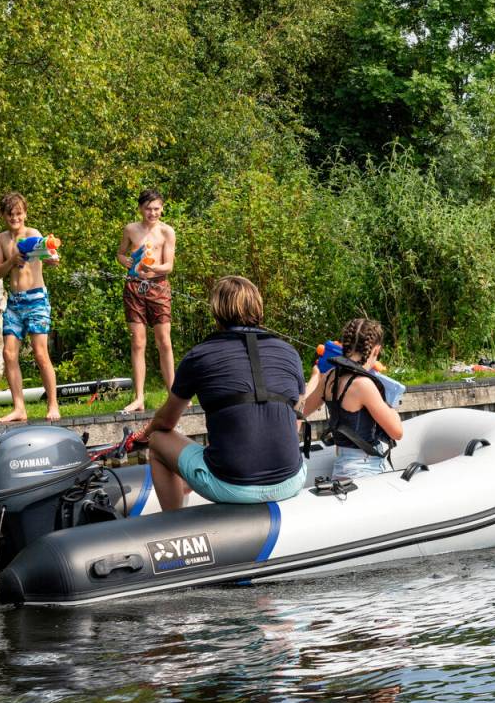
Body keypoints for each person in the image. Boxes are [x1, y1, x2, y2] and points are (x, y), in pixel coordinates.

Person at [137, 276, 307, 510]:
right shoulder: (290, 352)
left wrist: (145, 433)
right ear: (258, 307)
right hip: (291, 480)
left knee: (157, 441)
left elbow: (166, 422)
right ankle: (187, 481)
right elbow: (297, 417)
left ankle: (174, 525)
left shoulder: (200, 355)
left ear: (216, 311)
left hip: (232, 485)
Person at [300, 318, 404, 479]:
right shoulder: (364, 385)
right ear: (375, 350)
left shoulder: (329, 377)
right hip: (366, 470)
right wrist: (390, 405)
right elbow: (397, 432)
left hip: (342, 469)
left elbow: (301, 411)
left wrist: (315, 377)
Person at [0, 192, 60, 423]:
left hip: (37, 299)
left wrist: (52, 257)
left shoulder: (33, 234)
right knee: (8, 353)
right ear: (3, 216)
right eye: (10, 215)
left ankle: (53, 405)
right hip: (15, 302)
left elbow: (50, 254)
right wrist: (11, 261)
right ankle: (19, 408)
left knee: (40, 353)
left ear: (25, 213)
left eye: (19, 214)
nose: (15, 218)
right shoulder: (2, 239)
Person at [117, 189, 177, 413]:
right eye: (148, 209)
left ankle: (173, 395)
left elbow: (169, 265)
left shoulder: (167, 232)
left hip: (158, 287)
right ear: (140, 208)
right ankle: (139, 397)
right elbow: (120, 254)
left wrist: (152, 267)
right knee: (138, 342)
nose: (152, 213)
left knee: (164, 341)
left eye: (156, 209)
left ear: (161, 208)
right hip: (134, 287)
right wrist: (126, 261)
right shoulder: (131, 229)